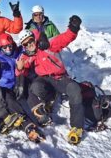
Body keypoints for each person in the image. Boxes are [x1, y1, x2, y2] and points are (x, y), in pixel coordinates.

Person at [16, 15, 85, 145]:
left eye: (30, 41)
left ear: (34, 39)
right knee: (35, 87)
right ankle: (44, 107)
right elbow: (21, 71)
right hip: (45, 81)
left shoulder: (47, 45)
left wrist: (73, 28)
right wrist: (19, 68)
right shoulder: (26, 56)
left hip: (60, 78)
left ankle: (77, 127)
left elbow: (64, 38)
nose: (29, 45)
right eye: (26, 44)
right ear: (23, 46)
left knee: (74, 89)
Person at [0, 33, 45, 143]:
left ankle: (40, 113)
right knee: (10, 101)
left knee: (27, 89)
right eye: (5, 47)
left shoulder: (19, 51)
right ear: (0, 48)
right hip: (6, 88)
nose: (8, 49)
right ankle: (28, 126)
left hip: (19, 83)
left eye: (10, 45)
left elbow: (30, 43)